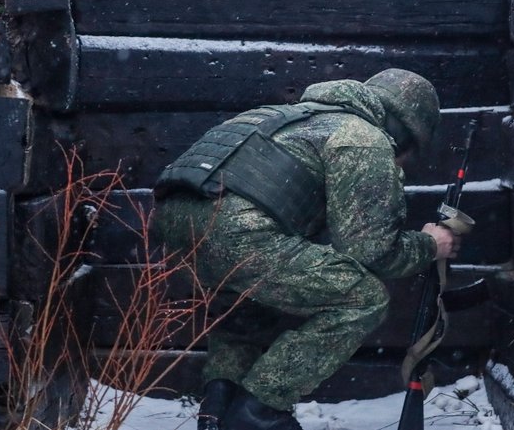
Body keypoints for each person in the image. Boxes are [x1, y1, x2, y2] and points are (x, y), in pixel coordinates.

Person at [149, 68, 461, 430]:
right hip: (237, 231)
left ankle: (217, 408)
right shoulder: (362, 137)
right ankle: (260, 412)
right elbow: (371, 251)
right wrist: (430, 245)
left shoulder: (280, 117)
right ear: (404, 129)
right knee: (361, 298)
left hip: (174, 225)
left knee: (247, 305)